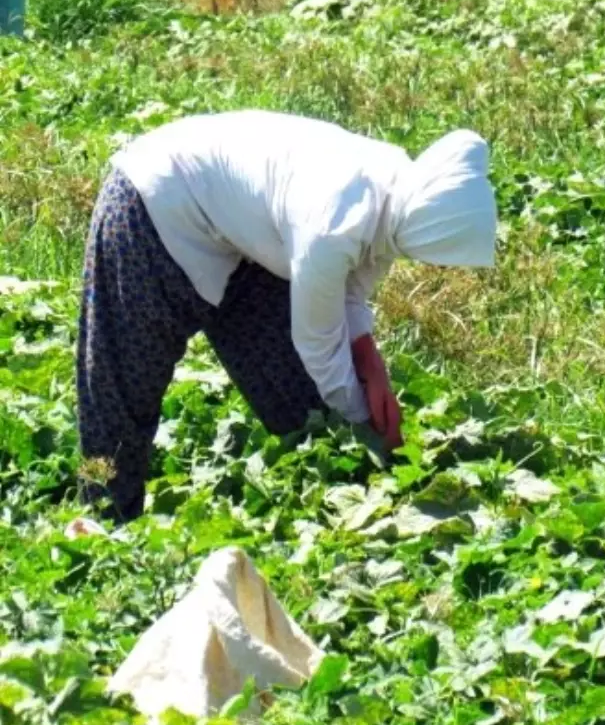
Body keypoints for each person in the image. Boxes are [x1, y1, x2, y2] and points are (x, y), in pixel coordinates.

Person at [76, 109, 498, 521]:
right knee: (124, 384)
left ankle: (341, 512)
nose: (434, 266)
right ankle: (103, 526)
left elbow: (348, 294)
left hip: (243, 235)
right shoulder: (335, 223)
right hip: (154, 205)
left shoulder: (398, 197)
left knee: (302, 401)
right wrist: (367, 424)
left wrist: (370, 364)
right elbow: (318, 344)